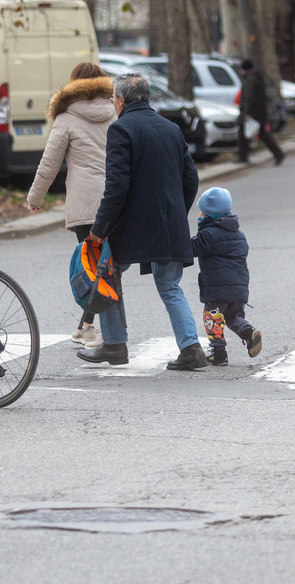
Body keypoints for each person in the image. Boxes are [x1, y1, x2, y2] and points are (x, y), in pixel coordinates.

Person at [77, 72, 208, 371]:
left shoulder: (121, 130)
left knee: (107, 275)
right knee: (170, 286)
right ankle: (191, 349)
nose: (113, 104)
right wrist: (176, 211)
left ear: (121, 100)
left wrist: (99, 230)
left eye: (113, 99)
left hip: (132, 226)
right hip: (169, 223)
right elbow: (191, 178)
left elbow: (117, 186)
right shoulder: (171, 128)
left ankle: (114, 345)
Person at [26, 61, 115, 348]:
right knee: (108, 266)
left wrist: (35, 198)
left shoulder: (66, 118)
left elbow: (49, 164)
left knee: (90, 267)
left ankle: (98, 331)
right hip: (115, 201)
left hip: (85, 204)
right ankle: (91, 326)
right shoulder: (116, 112)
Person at [192, 187, 261, 366]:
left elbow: (191, 248)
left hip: (217, 288)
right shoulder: (239, 234)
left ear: (207, 213)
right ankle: (248, 331)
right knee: (233, 316)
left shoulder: (208, 234)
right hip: (239, 286)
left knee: (212, 318)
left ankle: (218, 353)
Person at [237, 59, 285, 166]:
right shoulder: (256, 77)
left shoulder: (250, 80)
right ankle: (243, 155)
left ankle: (277, 153)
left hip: (253, 113)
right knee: (254, 133)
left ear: (244, 69)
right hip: (260, 112)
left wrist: (246, 112)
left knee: (253, 133)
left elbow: (249, 98)